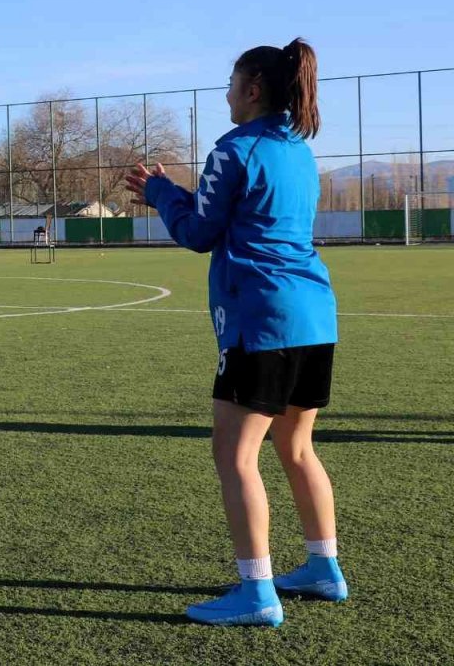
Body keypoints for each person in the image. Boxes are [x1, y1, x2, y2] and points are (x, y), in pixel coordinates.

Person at [125, 38, 347, 627]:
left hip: (261, 319)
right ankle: (324, 567)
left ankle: (256, 592)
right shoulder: (298, 147)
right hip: (315, 315)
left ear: (252, 90)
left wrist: (158, 192)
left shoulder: (235, 147)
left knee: (234, 454)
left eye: (230, 84)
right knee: (296, 447)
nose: (225, 93)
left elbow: (200, 232)